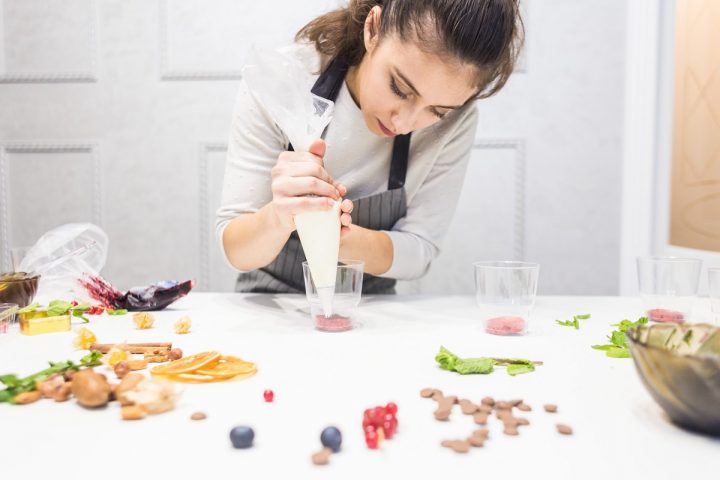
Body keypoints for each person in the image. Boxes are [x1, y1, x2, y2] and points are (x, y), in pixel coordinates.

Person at [217, 0, 523, 294]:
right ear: (373, 28)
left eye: (437, 111)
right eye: (399, 88)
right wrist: (278, 217)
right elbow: (236, 249)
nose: (404, 123)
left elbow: (420, 249)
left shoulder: (458, 119)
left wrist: (335, 234)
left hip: (373, 313)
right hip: (269, 309)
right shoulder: (282, 80)